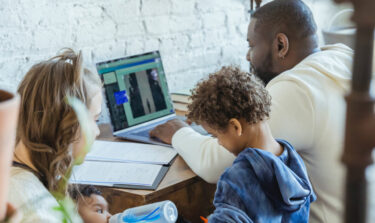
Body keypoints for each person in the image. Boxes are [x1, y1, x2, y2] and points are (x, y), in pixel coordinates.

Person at [150, 1, 353, 222]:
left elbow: (213, 164)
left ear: (280, 45)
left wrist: (178, 132)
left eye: (252, 45)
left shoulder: (297, 88)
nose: (248, 56)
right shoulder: (342, 57)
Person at [188, 66, 316, 222]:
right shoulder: (293, 160)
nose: (219, 143)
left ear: (236, 127)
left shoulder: (237, 178)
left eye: (216, 136)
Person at [9, 49, 102, 222]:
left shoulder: (14, 176)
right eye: (95, 119)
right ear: (69, 121)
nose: (97, 131)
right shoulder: (35, 210)